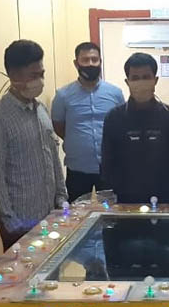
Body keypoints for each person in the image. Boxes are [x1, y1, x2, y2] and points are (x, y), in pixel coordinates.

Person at [0, 39, 67, 250]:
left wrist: (62, 198)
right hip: (20, 224)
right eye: (33, 75)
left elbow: (53, 157)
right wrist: (10, 222)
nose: (40, 81)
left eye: (42, 74)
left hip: (50, 217)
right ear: (13, 76)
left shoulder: (41, 111)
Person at [101, 52, 169, 204]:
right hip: (124, 202)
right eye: (135, 78)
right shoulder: (114, 118)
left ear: (155, 80)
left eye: (146, 77)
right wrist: (117, 195)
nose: (141, 82)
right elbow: (107, 163)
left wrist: (168, 196)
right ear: (127, 82)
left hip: (163, 201)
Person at [52, 41, 125, 202]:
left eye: (94, 59)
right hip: (77, 168)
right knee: (76, 211)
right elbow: (59, 126)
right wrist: (79, 140)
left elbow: (121, 125)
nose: (90, 64)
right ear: (76, 63)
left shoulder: (115, 93)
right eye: (85, 60)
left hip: (109, 166)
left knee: (111, 211)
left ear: (100, 62)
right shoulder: (63, 96)